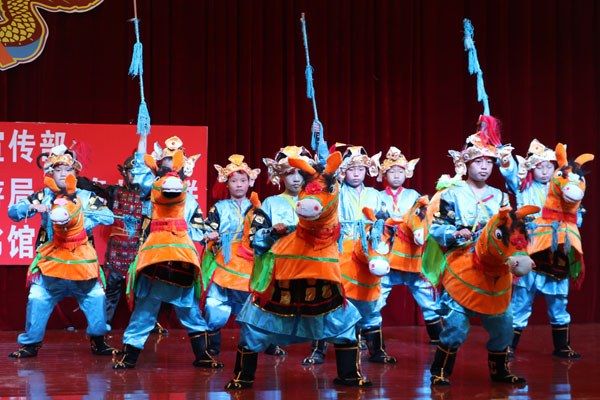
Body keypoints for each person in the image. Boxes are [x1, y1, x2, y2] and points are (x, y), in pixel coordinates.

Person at [427, 116, 526, 385]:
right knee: (456, 325)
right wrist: (454, 233)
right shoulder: (452, 194)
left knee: (504, 321)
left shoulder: (501, 197)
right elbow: (437, 228)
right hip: (462, 262)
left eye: (489, 162)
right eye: (478, 161)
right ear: (466, 164)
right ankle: (440, 372)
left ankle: (500, 371)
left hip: (494, 267)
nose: (484, 167)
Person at [8, 144, 115, 358]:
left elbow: (109, 217)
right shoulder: (43, 196)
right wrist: (32, 207)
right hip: (51, 263)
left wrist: (80, 219)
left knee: (96, 296)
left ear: (75, 173)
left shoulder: (86, 196)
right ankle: (31, 344)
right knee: (37, 298)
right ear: (51, 173)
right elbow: (13, 212)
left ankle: (99, 341)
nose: (64, 174)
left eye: (68, 170)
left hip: (81, 262)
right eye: (59, 170)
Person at [112, 135, 208, 369]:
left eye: (174, 163)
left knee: (189, 309)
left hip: (181, 256)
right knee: (145, 309)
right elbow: (139, 173)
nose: (170, 167)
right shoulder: (153, 188)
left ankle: (203, 354)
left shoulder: (190, 199)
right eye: (165, 163)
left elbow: (198, 229)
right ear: (157, 167)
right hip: (155, 255)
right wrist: (142, 139)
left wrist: (205, 233)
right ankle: (130, 355)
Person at [377, 146, 442, 344]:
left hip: (412, 252)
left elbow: (422, 219)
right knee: (378, 294)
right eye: (392, 171)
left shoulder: (414, 195)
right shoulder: (378, 196)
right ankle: (369, 336)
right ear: (384, 174)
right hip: (388, 251)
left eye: (400, 171)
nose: (396, 175)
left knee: (425, 293)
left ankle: (437, 336)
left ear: (407, 173)